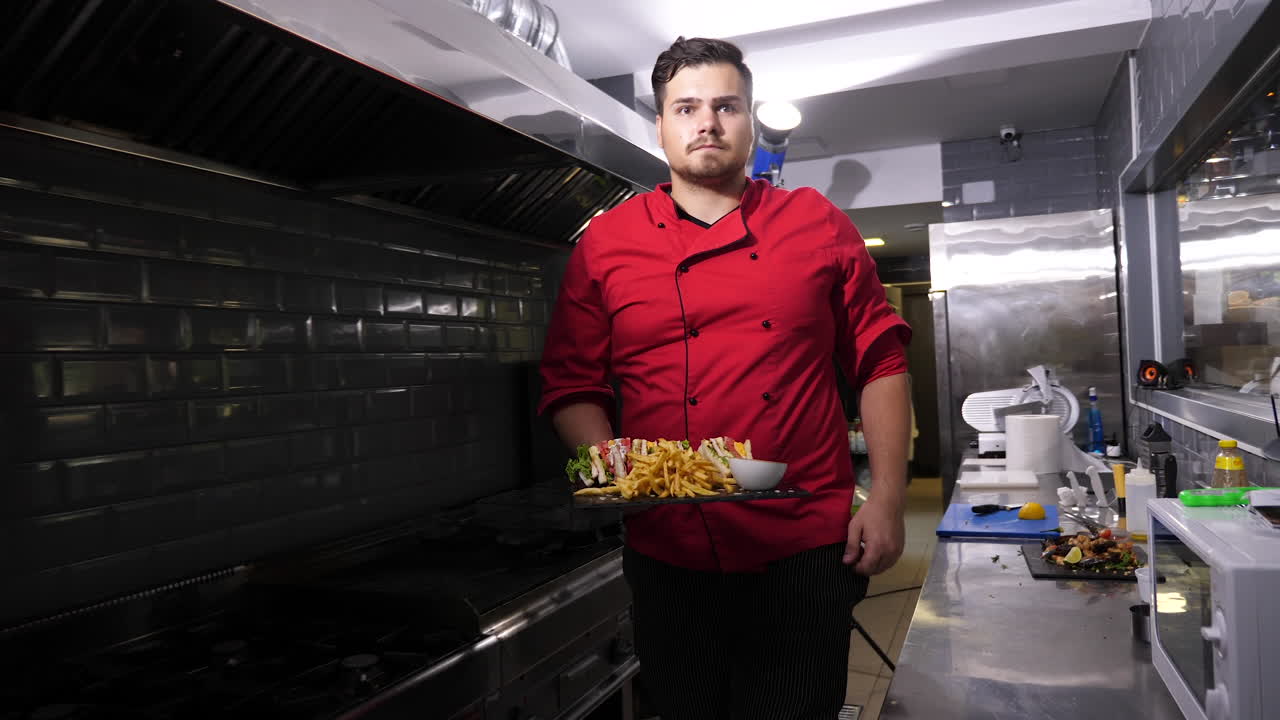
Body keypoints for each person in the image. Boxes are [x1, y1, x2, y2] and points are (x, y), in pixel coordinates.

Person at [538, 36, 913, 720]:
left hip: (801, 543)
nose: (705, 122)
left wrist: (887, 498)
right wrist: (619, 474)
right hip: (666, 549)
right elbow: (571, 385)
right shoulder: (606, 243)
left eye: (725, 105)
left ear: (748, 120)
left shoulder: (817, 224)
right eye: (685, 107)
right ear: (660, 125)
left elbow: (881, 362)